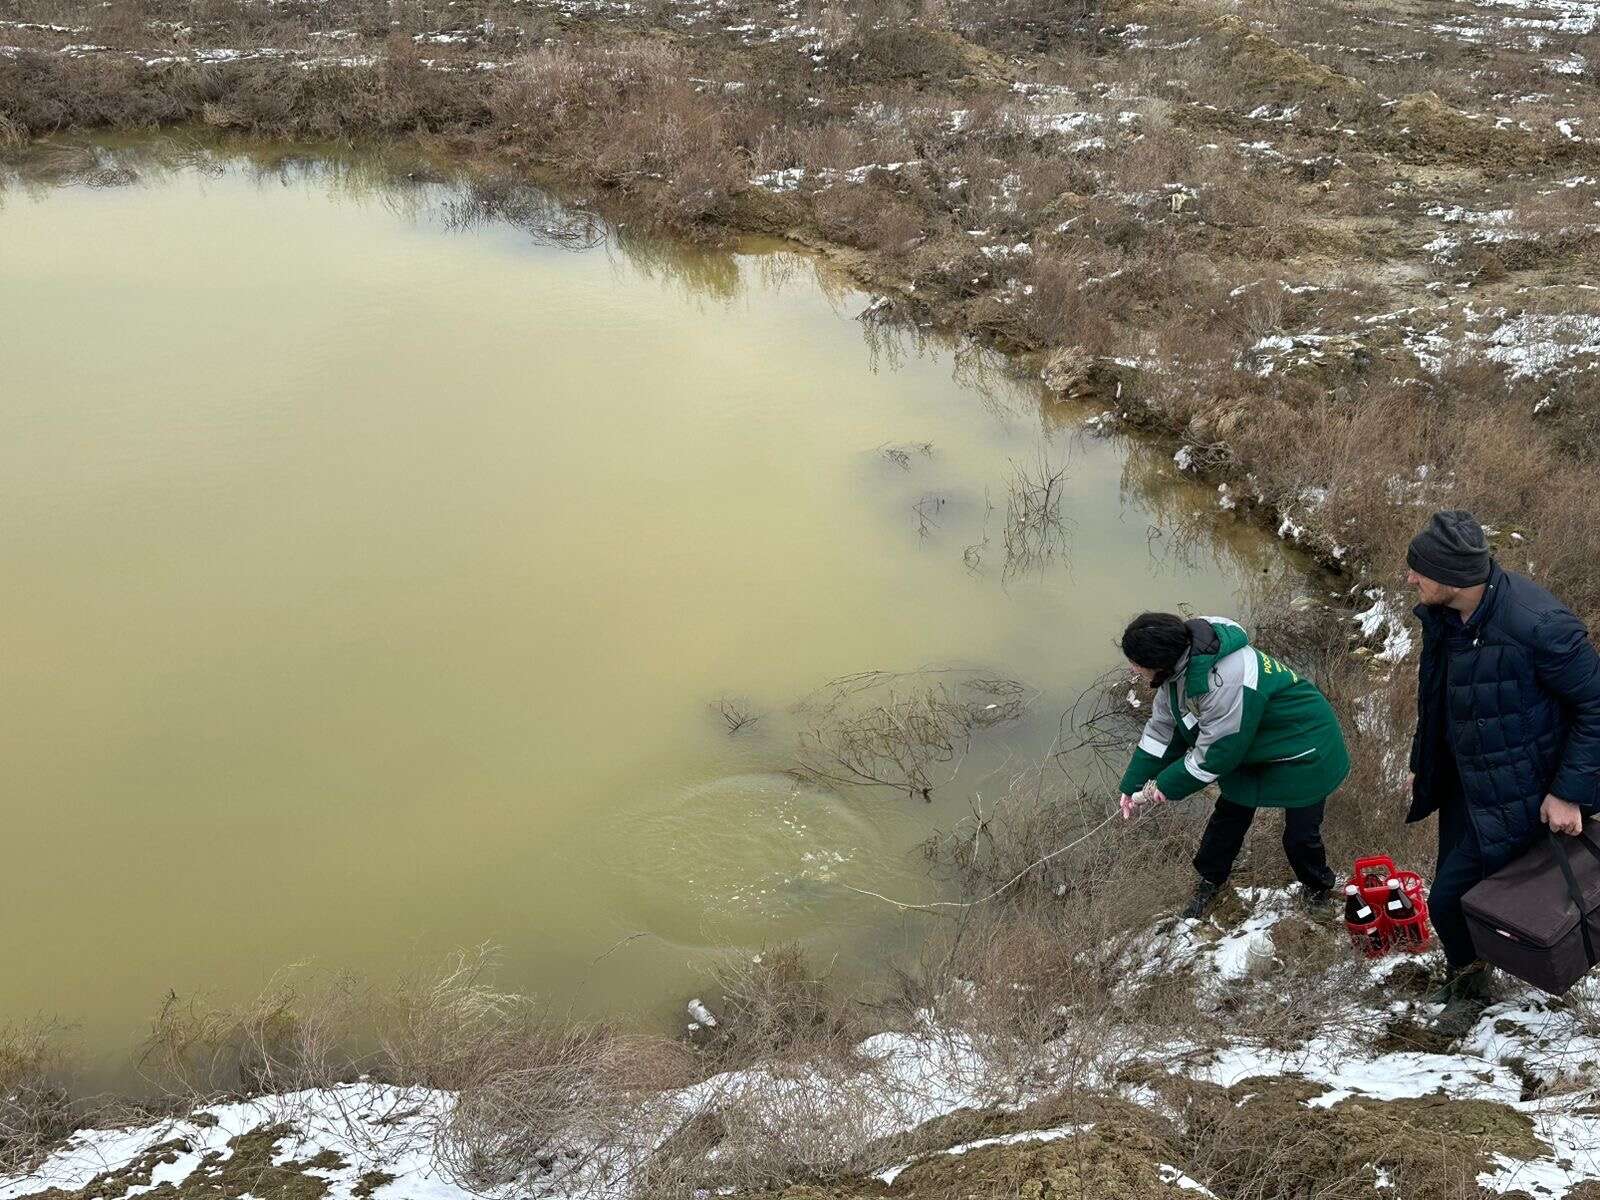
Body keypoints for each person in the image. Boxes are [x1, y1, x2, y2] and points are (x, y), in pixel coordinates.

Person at [1405, 510, 1600, 1035]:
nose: (1410, 578)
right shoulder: (1448, 618)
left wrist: (1568, 792)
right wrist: (1425, 766)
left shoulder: (1538, 625)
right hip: (1466, 785)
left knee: (1447, 899)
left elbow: (1595, 707)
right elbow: (1445, 701)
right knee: (1464, 891)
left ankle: (1472, 987)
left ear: (1449, 576)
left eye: (1418, 570)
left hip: (1522, 791)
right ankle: (1477, 963)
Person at [1118, 612, 1351, 919]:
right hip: (1251, 744)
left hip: (1303, 747)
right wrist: (1133, 785)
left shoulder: (1225, 679)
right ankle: (1210, 881)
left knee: (1299, 835)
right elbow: (1163, 729)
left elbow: (1215, 756)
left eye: (1136, 663)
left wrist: (1165, 786)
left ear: (1159, 661)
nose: (1132, 669)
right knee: (1228, 818)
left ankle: (1318, 889)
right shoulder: (1177, 670)